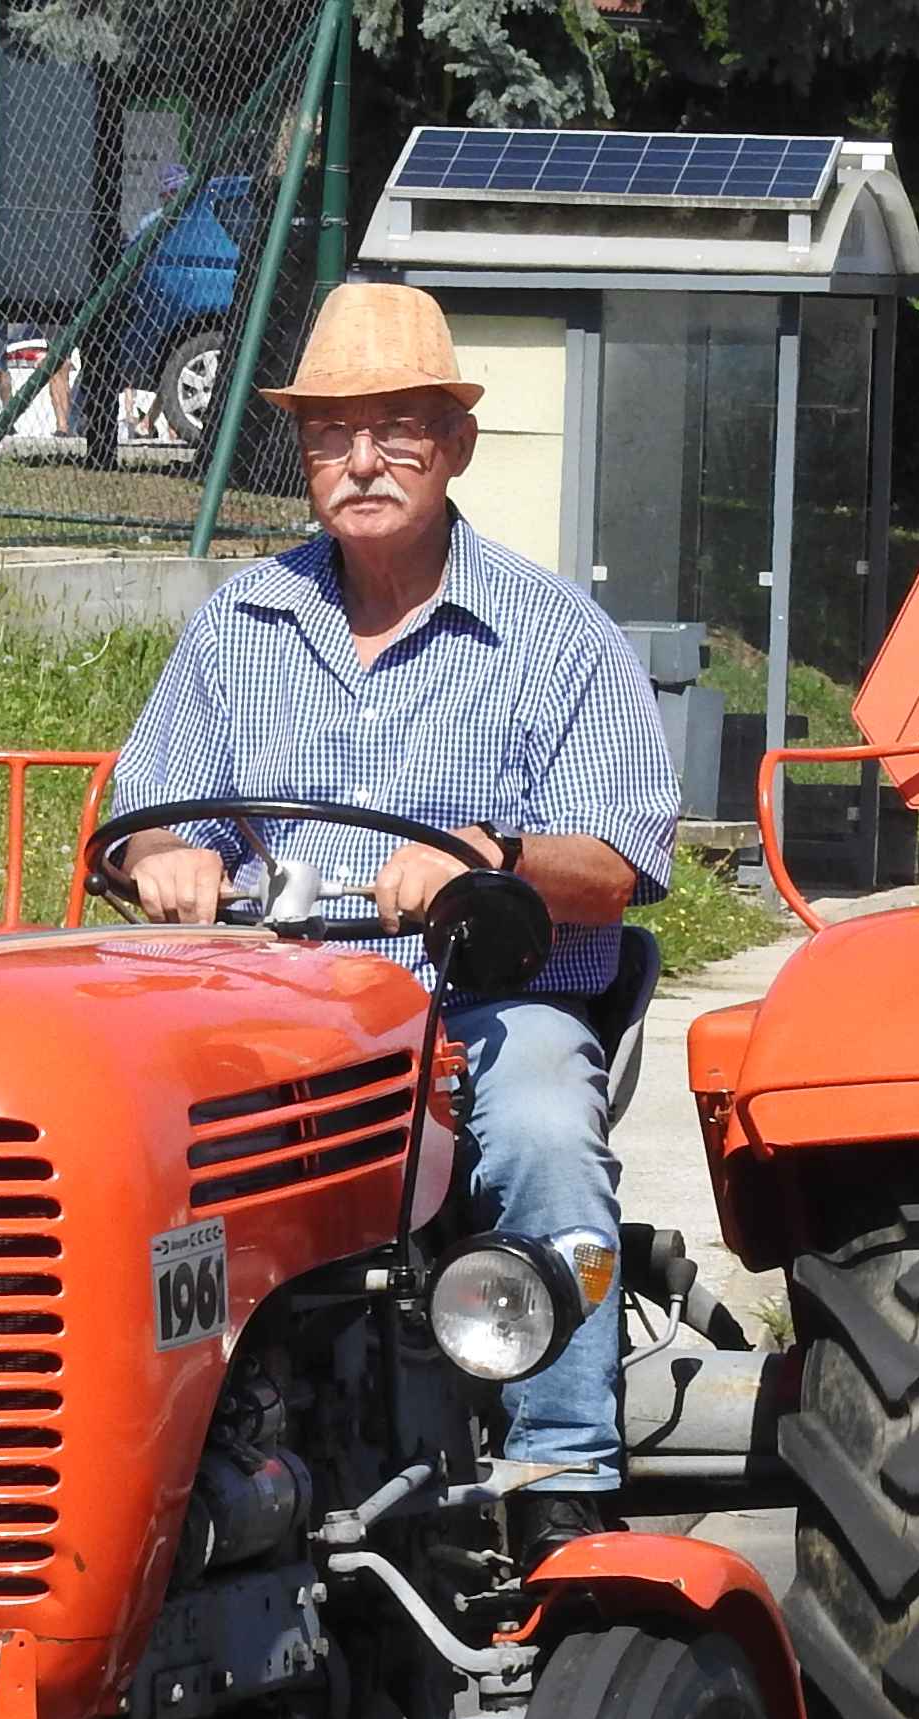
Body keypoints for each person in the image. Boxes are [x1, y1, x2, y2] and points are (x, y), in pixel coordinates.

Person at [106, 282, 679, 1560]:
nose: (362, 463)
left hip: (474, 1004)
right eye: (330, 435)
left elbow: (622, 857)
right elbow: (148, 811)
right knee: (115, 1143)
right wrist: (163, 859)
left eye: (398, 431)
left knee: (538, 1124)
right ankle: (148, 1469)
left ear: (456, 446)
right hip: (274, 1007)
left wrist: (490, 862)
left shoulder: (553, 635)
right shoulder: (238, 625)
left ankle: (564, 1473)